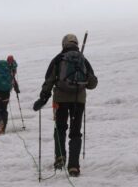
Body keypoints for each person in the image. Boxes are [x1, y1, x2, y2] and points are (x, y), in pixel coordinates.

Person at [32, 34, 97, 176]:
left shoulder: (58, 59)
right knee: (75, 132)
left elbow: (49, 80)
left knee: (60, 128)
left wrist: (43, 98)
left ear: (64, 44)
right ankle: (74, 166)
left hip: (60, 100)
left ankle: (60, 157)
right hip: (78, 100)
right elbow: (93, 84)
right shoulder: (83, 60)